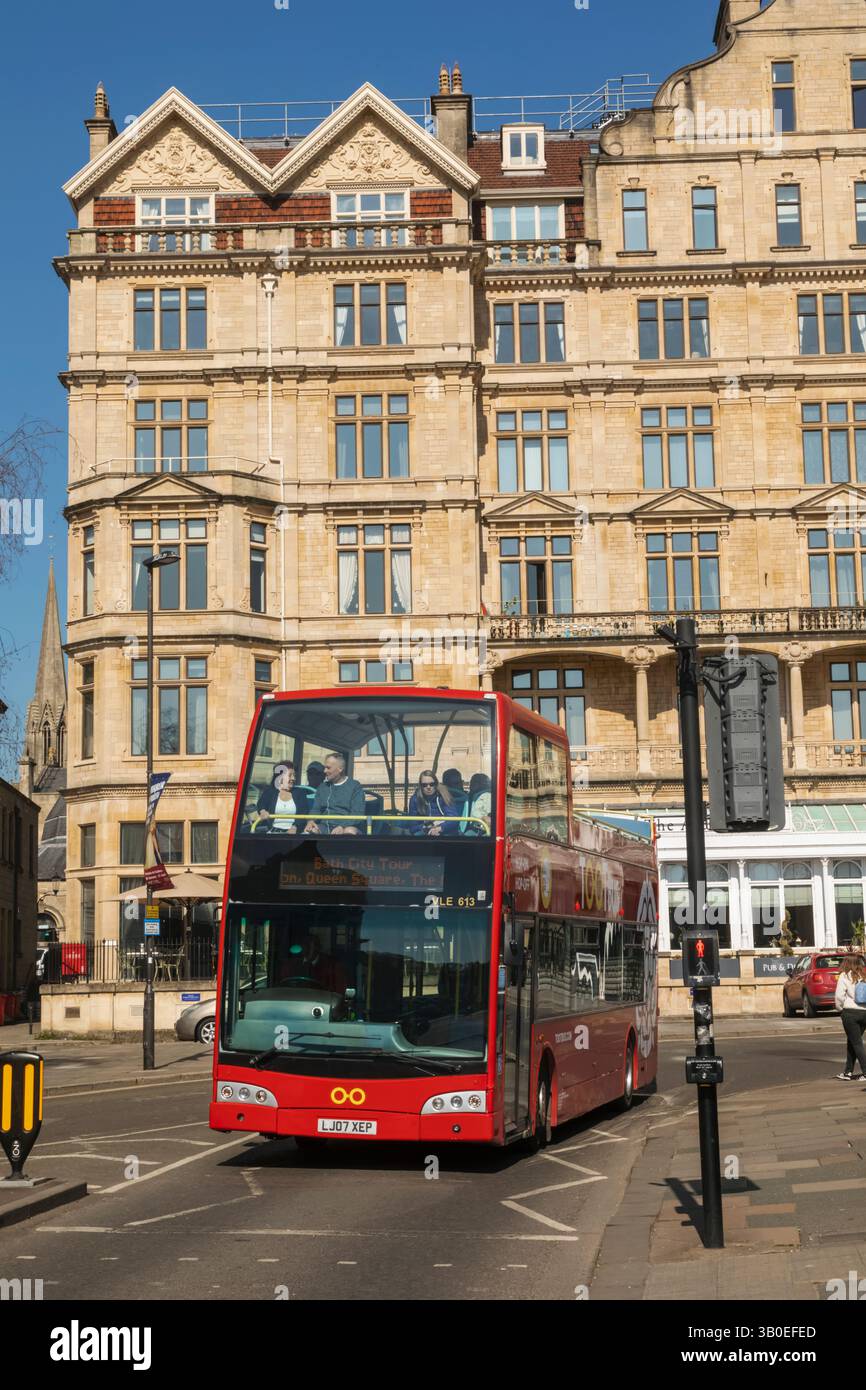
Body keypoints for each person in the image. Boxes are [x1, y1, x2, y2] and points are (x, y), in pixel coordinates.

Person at [305, 753, 365, 835]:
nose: (324, 771)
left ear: (340, 769)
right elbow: (316, 809)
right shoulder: (322, 787)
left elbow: (357, 813)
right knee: (310, 830)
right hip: (325, 827)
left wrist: (342, 826)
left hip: (347, 826)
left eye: (328, 768)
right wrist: (311, 821)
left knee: (349, 831)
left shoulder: (355, 786)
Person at [834, 951, 866, 1080]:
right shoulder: (864, 975)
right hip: (864, 1012)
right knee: (852, 1041)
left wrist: (840, 1009)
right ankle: (848, 1072)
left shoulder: (844, 976)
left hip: (850, 1013)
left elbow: (839, 996)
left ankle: (865, 1072)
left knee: (857, 1043)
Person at [252, 761, 308, 832]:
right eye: (290, 775)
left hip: (293, 832)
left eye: (294, 775)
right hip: (273, 831)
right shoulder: (270, 792)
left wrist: (295, 827)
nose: (293, 778)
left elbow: (303, 813)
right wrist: (263, 811)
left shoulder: (300, 793)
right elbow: (261, 804)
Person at [408, 771, 457, 837]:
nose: (428, 787)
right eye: (424, 785)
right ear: (420, 786)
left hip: (444, 831)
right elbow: (412, 826)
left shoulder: (444, 795)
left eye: (431, 784)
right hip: (424, 832)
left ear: (436, 784)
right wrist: (427, 827)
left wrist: (439, 828)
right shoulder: (415, 800)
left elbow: (454, 820)